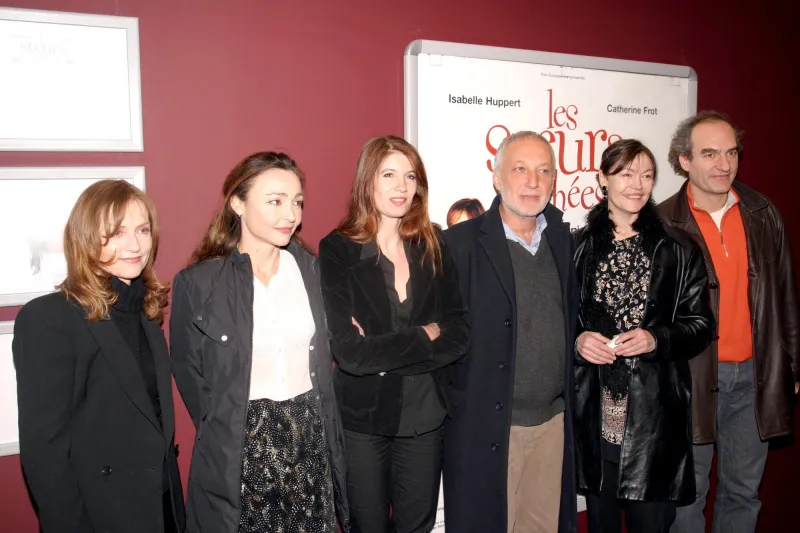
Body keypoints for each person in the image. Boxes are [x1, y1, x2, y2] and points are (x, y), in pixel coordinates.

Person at [170, 152, 349, 533]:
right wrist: (231, 424)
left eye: (297, 202)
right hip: (242, 445)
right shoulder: (199, 284)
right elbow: (189, 372)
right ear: (238, 203)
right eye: (275, 201)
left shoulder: (312, 272)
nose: (291, 215)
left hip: (309, 438)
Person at [13, 179, 185, 533]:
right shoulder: (49, 318)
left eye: (142, 229)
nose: (135, 244)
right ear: (86, 237)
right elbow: (45, 451)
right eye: (116, 232)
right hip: (101, 516)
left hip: (162, 508)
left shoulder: (146, 314)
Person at [318, 135, 469, 533]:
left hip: (425, 416)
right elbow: (351, 354)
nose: (401, 187)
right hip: (364, 420)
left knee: (416, 528)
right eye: (389, 175)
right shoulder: (338, 250)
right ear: (368, 181)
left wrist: (383, 353)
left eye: (410, 177)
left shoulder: (434, 243)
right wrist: (424, 335)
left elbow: (460, 333)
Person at [660, 112, 800, 533]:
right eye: (709, 153)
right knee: (687, 496)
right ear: (684, 160)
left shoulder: (762, 213)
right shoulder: (664, 223)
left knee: (743, 492)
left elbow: (785, 295)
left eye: (731, 153)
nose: (723, 164)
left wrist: (791, 364)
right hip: (691, 380)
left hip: (755, 378)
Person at [572, 139, 714, 533]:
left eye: (647, 175)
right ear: (603, 179)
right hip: (595, 418)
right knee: (600, 524)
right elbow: (561, 323)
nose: (637, 184)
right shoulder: (577, 248)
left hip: (653, 422)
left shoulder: (679, 248)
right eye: (626, 173)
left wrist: (656, 339)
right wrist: (578, 342)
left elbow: (701, 325)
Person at [443, 130, 579, 533]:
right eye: (520, 169)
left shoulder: (563, 242)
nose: (533, 181)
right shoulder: (459, 244)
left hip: (552, 424)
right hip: (488, 426)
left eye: (543, 171)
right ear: (497, 177)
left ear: (554, 180)